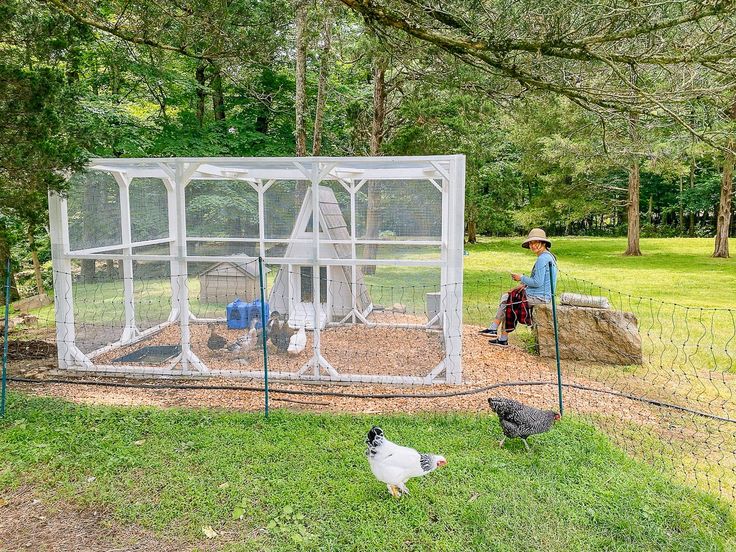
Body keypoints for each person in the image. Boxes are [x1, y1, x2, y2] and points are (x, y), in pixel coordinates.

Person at [480, 228, 558, 346]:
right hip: (540, 294)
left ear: (543, 243)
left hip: (540, 297)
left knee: (508, 299)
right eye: (531, 243)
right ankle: (501, 337)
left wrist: (520, 277)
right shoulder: (548, 256)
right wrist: (519, 287)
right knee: (509, 297)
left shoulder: (542, 259)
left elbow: (537, 282)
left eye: (536, 242)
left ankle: (494, 328)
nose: (533, 245)